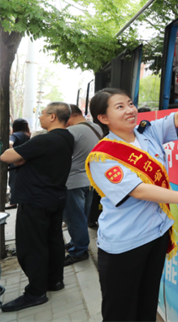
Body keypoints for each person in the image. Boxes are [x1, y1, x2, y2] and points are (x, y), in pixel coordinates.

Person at [87, 88, 178, 322]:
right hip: (125, 242)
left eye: (130, 104)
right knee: (120, 311)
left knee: (147, 302)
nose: (130, 110)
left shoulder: (147, 133)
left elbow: (176, 118)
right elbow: (138, 190)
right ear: (103, 118)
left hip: (156, 234)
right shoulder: (102, 156)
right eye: (120, 107)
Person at [0, 103, 74, 312]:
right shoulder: (67, 137)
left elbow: (6, 156)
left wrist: (19, 156)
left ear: (52, 116)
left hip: (35, 200)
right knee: (53, 240)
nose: (40, 117)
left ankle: (35, 292)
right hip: (55, 196)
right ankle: (54, 281)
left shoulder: (45, 140)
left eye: (42, 114)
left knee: (32, 246)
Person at [62, 104, 102, 266]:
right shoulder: (95, 127)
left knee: (74, 218)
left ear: (69, 116)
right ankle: (76, 242)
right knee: (82, 216)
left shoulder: (71, 131)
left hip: (73, 182)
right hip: (89, 179)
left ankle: (79, 251)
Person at [7, 119, 31, 208]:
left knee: (13, 181)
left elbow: (10, 143)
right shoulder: (27, 135)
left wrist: (11, 153)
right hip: (25, 160)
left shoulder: (15, 134)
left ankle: (13, 202)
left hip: (16, 161)